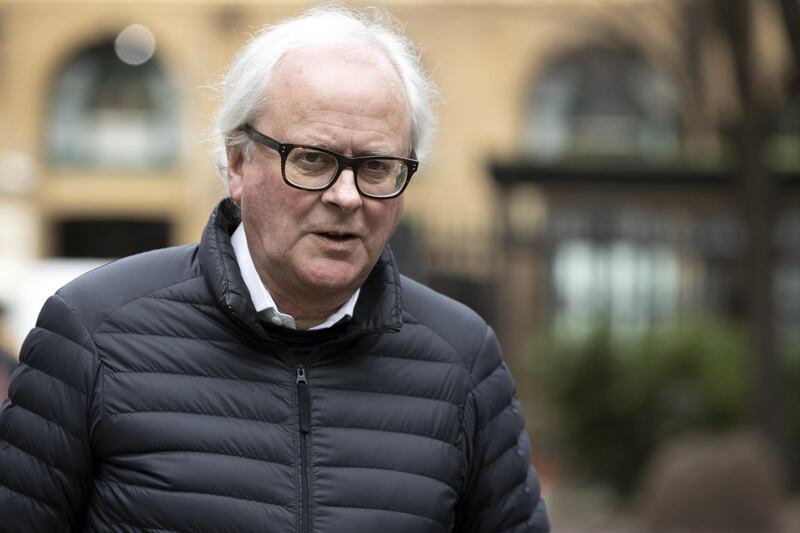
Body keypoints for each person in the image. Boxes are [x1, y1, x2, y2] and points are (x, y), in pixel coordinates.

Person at [0, 7, 549, 532]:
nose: (345, 196)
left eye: (377, 167)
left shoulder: (463, 358)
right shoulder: (90, 334)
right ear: (237, 163)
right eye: (312, 158)